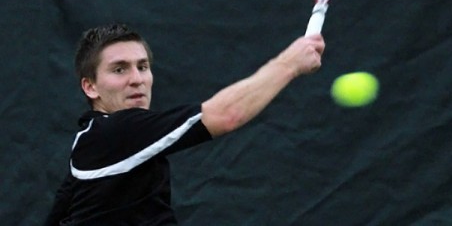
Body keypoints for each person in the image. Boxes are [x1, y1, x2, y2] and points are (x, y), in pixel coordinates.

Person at [45, 23, 325, 226]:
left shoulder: (90, 140)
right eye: (120, 69)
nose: (137, 79)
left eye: (142, 67)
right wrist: (290, 63)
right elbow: (226, 115)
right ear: (90, 87)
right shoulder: (115, 132)